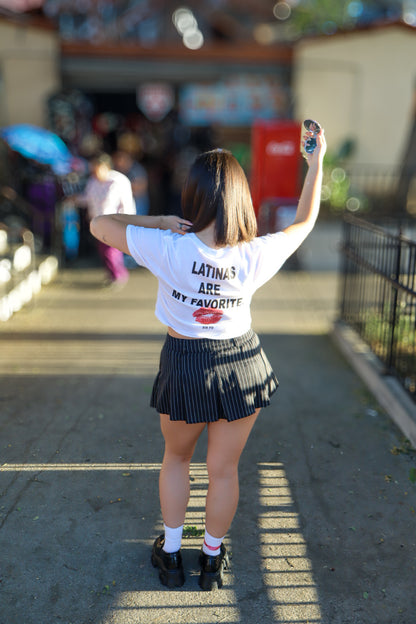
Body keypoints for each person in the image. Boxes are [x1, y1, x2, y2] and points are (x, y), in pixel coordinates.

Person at [89, 126, 326, 591]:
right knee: (224, 470)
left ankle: (173, 555)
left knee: (176, 460)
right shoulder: (255, 254)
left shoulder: (169, 246)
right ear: (241, 198)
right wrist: (314, 164)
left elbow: (101, 225)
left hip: (184, 362)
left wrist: (158, 222)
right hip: (242, 365)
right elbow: (304, 223)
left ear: (193, 196)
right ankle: (213, 560)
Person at [77, 152, 136, 287]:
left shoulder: (118, 181)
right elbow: (88, 198)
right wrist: (75, 199)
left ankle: (117, 275)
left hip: (114, 222)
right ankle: (113, 273)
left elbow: (126, 203)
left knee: (111, 250)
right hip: (97, 222)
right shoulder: (92, 182)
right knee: (103, 250)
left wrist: (126, 222)